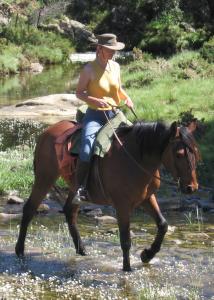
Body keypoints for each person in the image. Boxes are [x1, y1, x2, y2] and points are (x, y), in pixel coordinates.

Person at [73, 33, 134, 204]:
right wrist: (92, 100)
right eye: (110, 50)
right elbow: (79, 93)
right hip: (95, 115)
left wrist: (127, 98)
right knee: (86, 148)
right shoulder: (89, 69)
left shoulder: (115, 66)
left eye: (115, 50)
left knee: (136, 138)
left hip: (115, 114)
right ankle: (80, 188)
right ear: (99, 49)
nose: (113, 53)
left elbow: (119, 89)